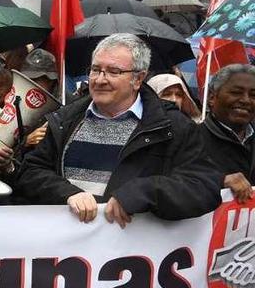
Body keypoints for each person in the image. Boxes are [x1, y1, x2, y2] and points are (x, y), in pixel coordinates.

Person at [16, 33, 222, 230]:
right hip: (70, 256)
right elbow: (30, 173)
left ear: (138, 78)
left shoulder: (172, 126)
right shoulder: (65, 119)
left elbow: (203, 186)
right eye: (95, 69)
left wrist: (142, 192)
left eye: (113, 72)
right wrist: (67, 193)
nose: (99, 79)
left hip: (133, 256)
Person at [200, 64, 255, 205]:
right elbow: (176, 183)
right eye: (236, 93)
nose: (245, 100)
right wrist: (220, 180)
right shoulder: (191, 139)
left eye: (253, 95)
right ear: (212, 97)